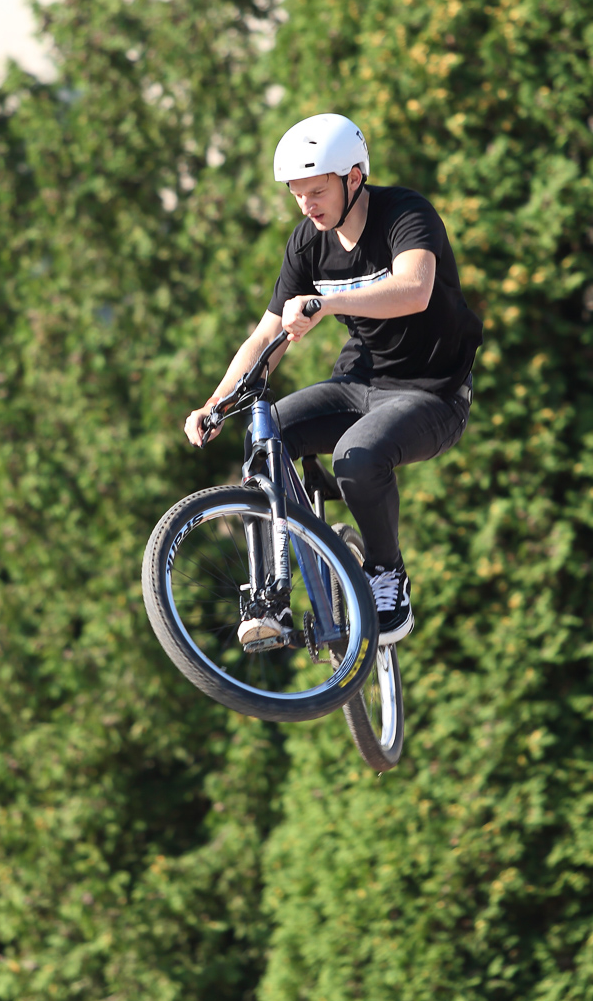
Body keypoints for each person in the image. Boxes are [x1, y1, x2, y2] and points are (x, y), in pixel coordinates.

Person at [184, 113, 482, 646]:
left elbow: (414, 289)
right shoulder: (307, 243)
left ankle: (387, 574)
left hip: (433, 394)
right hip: (356, 385)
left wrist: (328, 303)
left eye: (317, 191)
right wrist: (216, 402)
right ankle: (269, 595)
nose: (306, 205)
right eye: (297, 193)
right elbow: (266, 335)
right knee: (264, 436)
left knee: (357, 455)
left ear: (354, 178)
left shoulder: (405, 215)